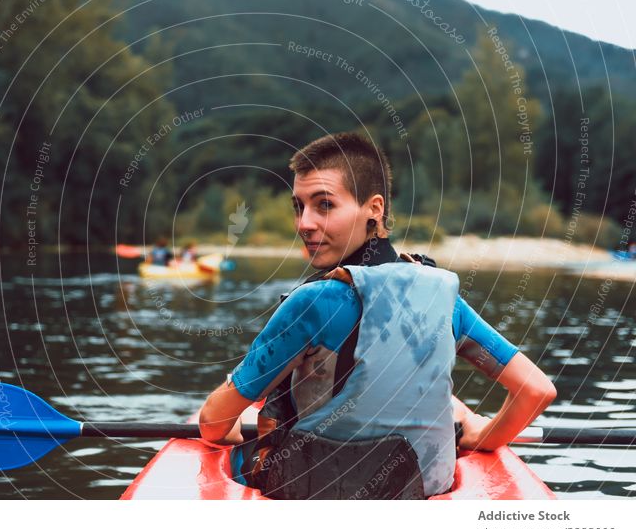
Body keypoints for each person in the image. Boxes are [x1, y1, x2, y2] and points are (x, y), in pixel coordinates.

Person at [198, 132, 556, 499]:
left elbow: (212, 422)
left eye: (324, 205)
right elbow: (536, 390)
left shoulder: (313, 302)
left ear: (375, 208)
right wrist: (481, 435)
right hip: (419, 491)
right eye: (298, 206)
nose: (304, 223)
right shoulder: (444, 298)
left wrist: (233, 429)